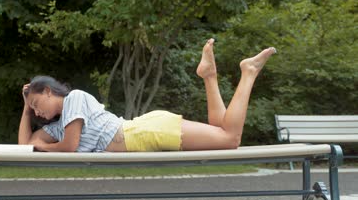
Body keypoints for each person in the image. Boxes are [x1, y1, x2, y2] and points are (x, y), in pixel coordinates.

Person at [18, 38, 276, 152]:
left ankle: (248, 72)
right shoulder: (57, 128)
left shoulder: (74, 98)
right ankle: (208, 75)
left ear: (49, 91)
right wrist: (26, 109)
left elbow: (71, 146)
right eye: (34, 110)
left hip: (143, 134)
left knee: (230, 139)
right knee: (221, 130)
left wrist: (43, 147)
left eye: (37, 103)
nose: (37, 112)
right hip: (143, 133)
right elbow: (23, 147)